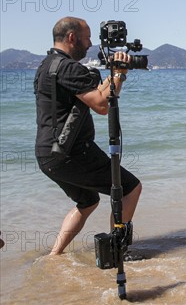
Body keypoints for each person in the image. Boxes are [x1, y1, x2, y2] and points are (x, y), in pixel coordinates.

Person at [34, 17, 142, 255]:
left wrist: (114, 72)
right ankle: (116, 250)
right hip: (71, 152)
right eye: (87, 37)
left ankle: (54, 255)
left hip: (48, 154)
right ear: (72, 37)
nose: (91, 43)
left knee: (88, 201)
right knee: (131, 188)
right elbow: (102, 105)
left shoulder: (48, 65)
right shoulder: (68, 67)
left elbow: (94, 94)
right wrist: (121, 74)